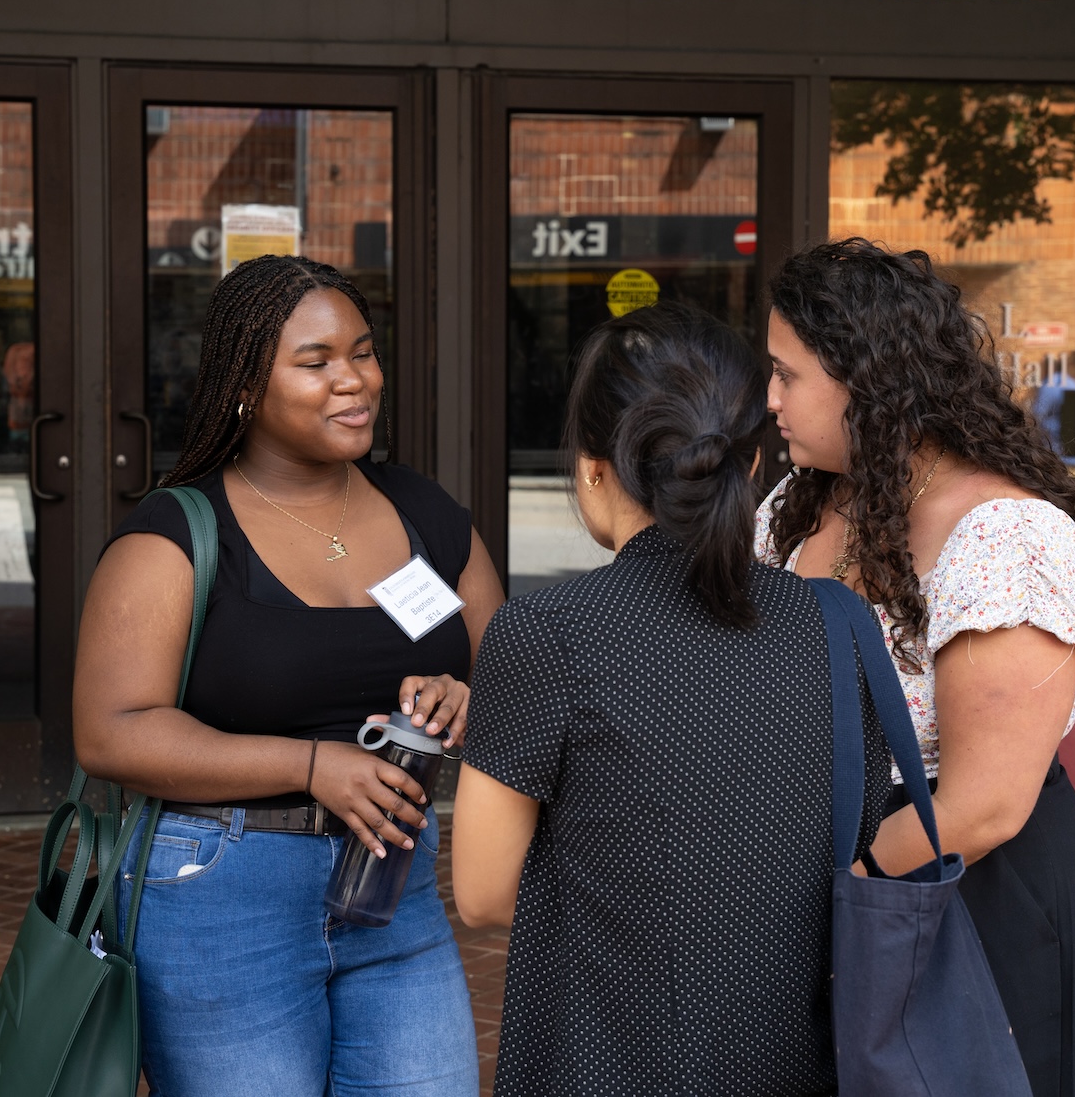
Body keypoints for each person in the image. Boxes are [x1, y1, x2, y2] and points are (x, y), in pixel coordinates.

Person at [73, 254, 502, 1097]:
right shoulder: (177, 534)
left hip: (394, 883)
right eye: (316, 362)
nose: (355, 380)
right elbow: (110, 729)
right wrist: (310, 766)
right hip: (220, 893)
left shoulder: (424, 512)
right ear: (244, 386)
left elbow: (514, 680)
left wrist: (466, 699)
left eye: (364, 352)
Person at [451, 300, 889, 1097]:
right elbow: (856, 833)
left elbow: (482, 892)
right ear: (751, 465)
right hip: (791, 1059)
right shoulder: (838, 621)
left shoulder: (546, 633)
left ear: (592, 467)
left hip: (599, 1057)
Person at [758, 239, 1075, 1097]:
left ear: (867, 379)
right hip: (835, 873)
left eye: (787, 375)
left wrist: (840, 893)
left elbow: (983, 804)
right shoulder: (799, 502)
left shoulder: (1004, 537)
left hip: (966, 890)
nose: (770, 398)